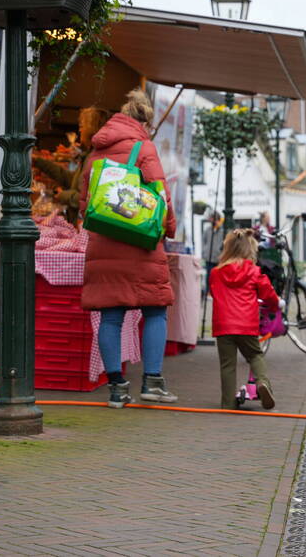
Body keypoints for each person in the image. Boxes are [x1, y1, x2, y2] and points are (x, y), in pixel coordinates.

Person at [79, 88, 178, 408]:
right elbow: (161, 198)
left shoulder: (95, 153)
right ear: (144, 123)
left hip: (104, 244)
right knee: (154, 311)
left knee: (110, 317)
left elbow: (84, 205)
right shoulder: (144, 148)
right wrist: (169, 230)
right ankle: (152, 382)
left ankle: (117, 389)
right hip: (140, 245)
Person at [210, 228, 282, 410]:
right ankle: (262, 383)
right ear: (249, 249)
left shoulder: (216, 273)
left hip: (223, 326)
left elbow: (213, 293)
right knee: (255, 355)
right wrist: (278, 304)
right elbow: (268, 294)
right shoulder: (254, 271)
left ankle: (227, 403)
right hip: (246, 325)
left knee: (227, 365)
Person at [33, 106, 113, 226]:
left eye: (82, 126)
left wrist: (63, 195)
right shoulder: (90, 155)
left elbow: (89, 198)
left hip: (83, 224)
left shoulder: (98, 159)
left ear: (93, 130)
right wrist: (39, 162)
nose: (80, 130)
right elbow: (71, 180)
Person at [201, 211, 225, 293]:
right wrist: (204, 251)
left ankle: (217, 291)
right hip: (209, 257)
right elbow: (203, 241)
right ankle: (208, 292)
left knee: (218, 277)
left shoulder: (222, 230)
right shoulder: (208, 230)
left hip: (218, 258)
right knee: (209, 276)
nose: (211, 221)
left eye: (213, 219)